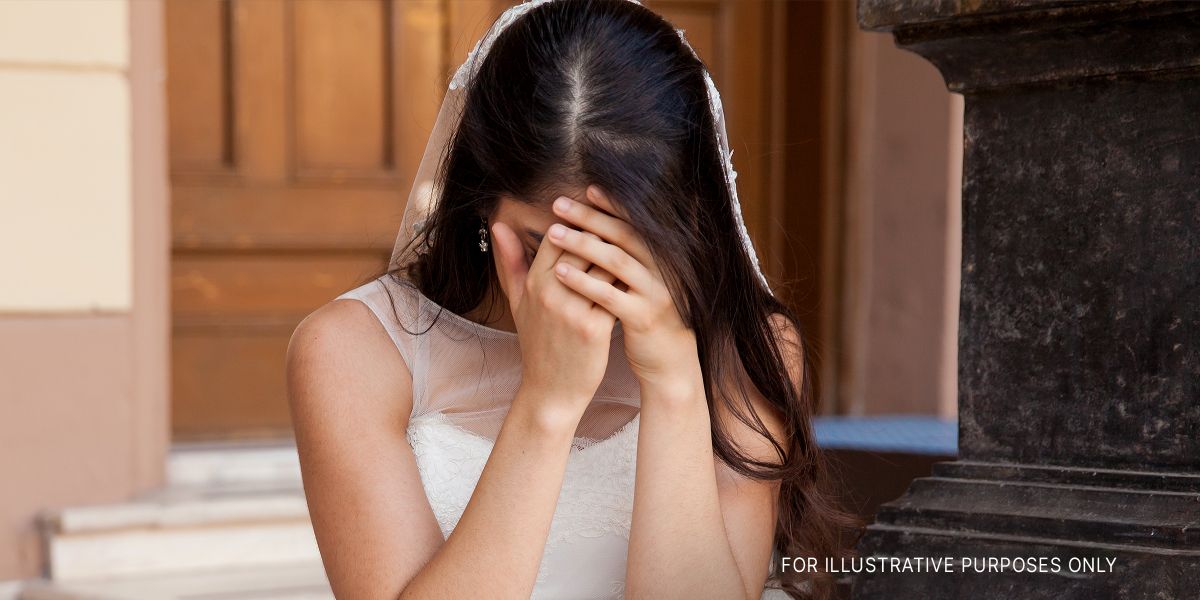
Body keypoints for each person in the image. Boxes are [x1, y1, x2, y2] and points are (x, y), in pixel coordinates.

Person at [285, 1, 861, 598]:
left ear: (688, 217)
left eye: (628, 248)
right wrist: (547, 403)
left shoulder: (749, 350)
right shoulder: (355, 351)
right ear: (483, 200)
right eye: (548, 248)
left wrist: (673, 384)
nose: (591, 283)